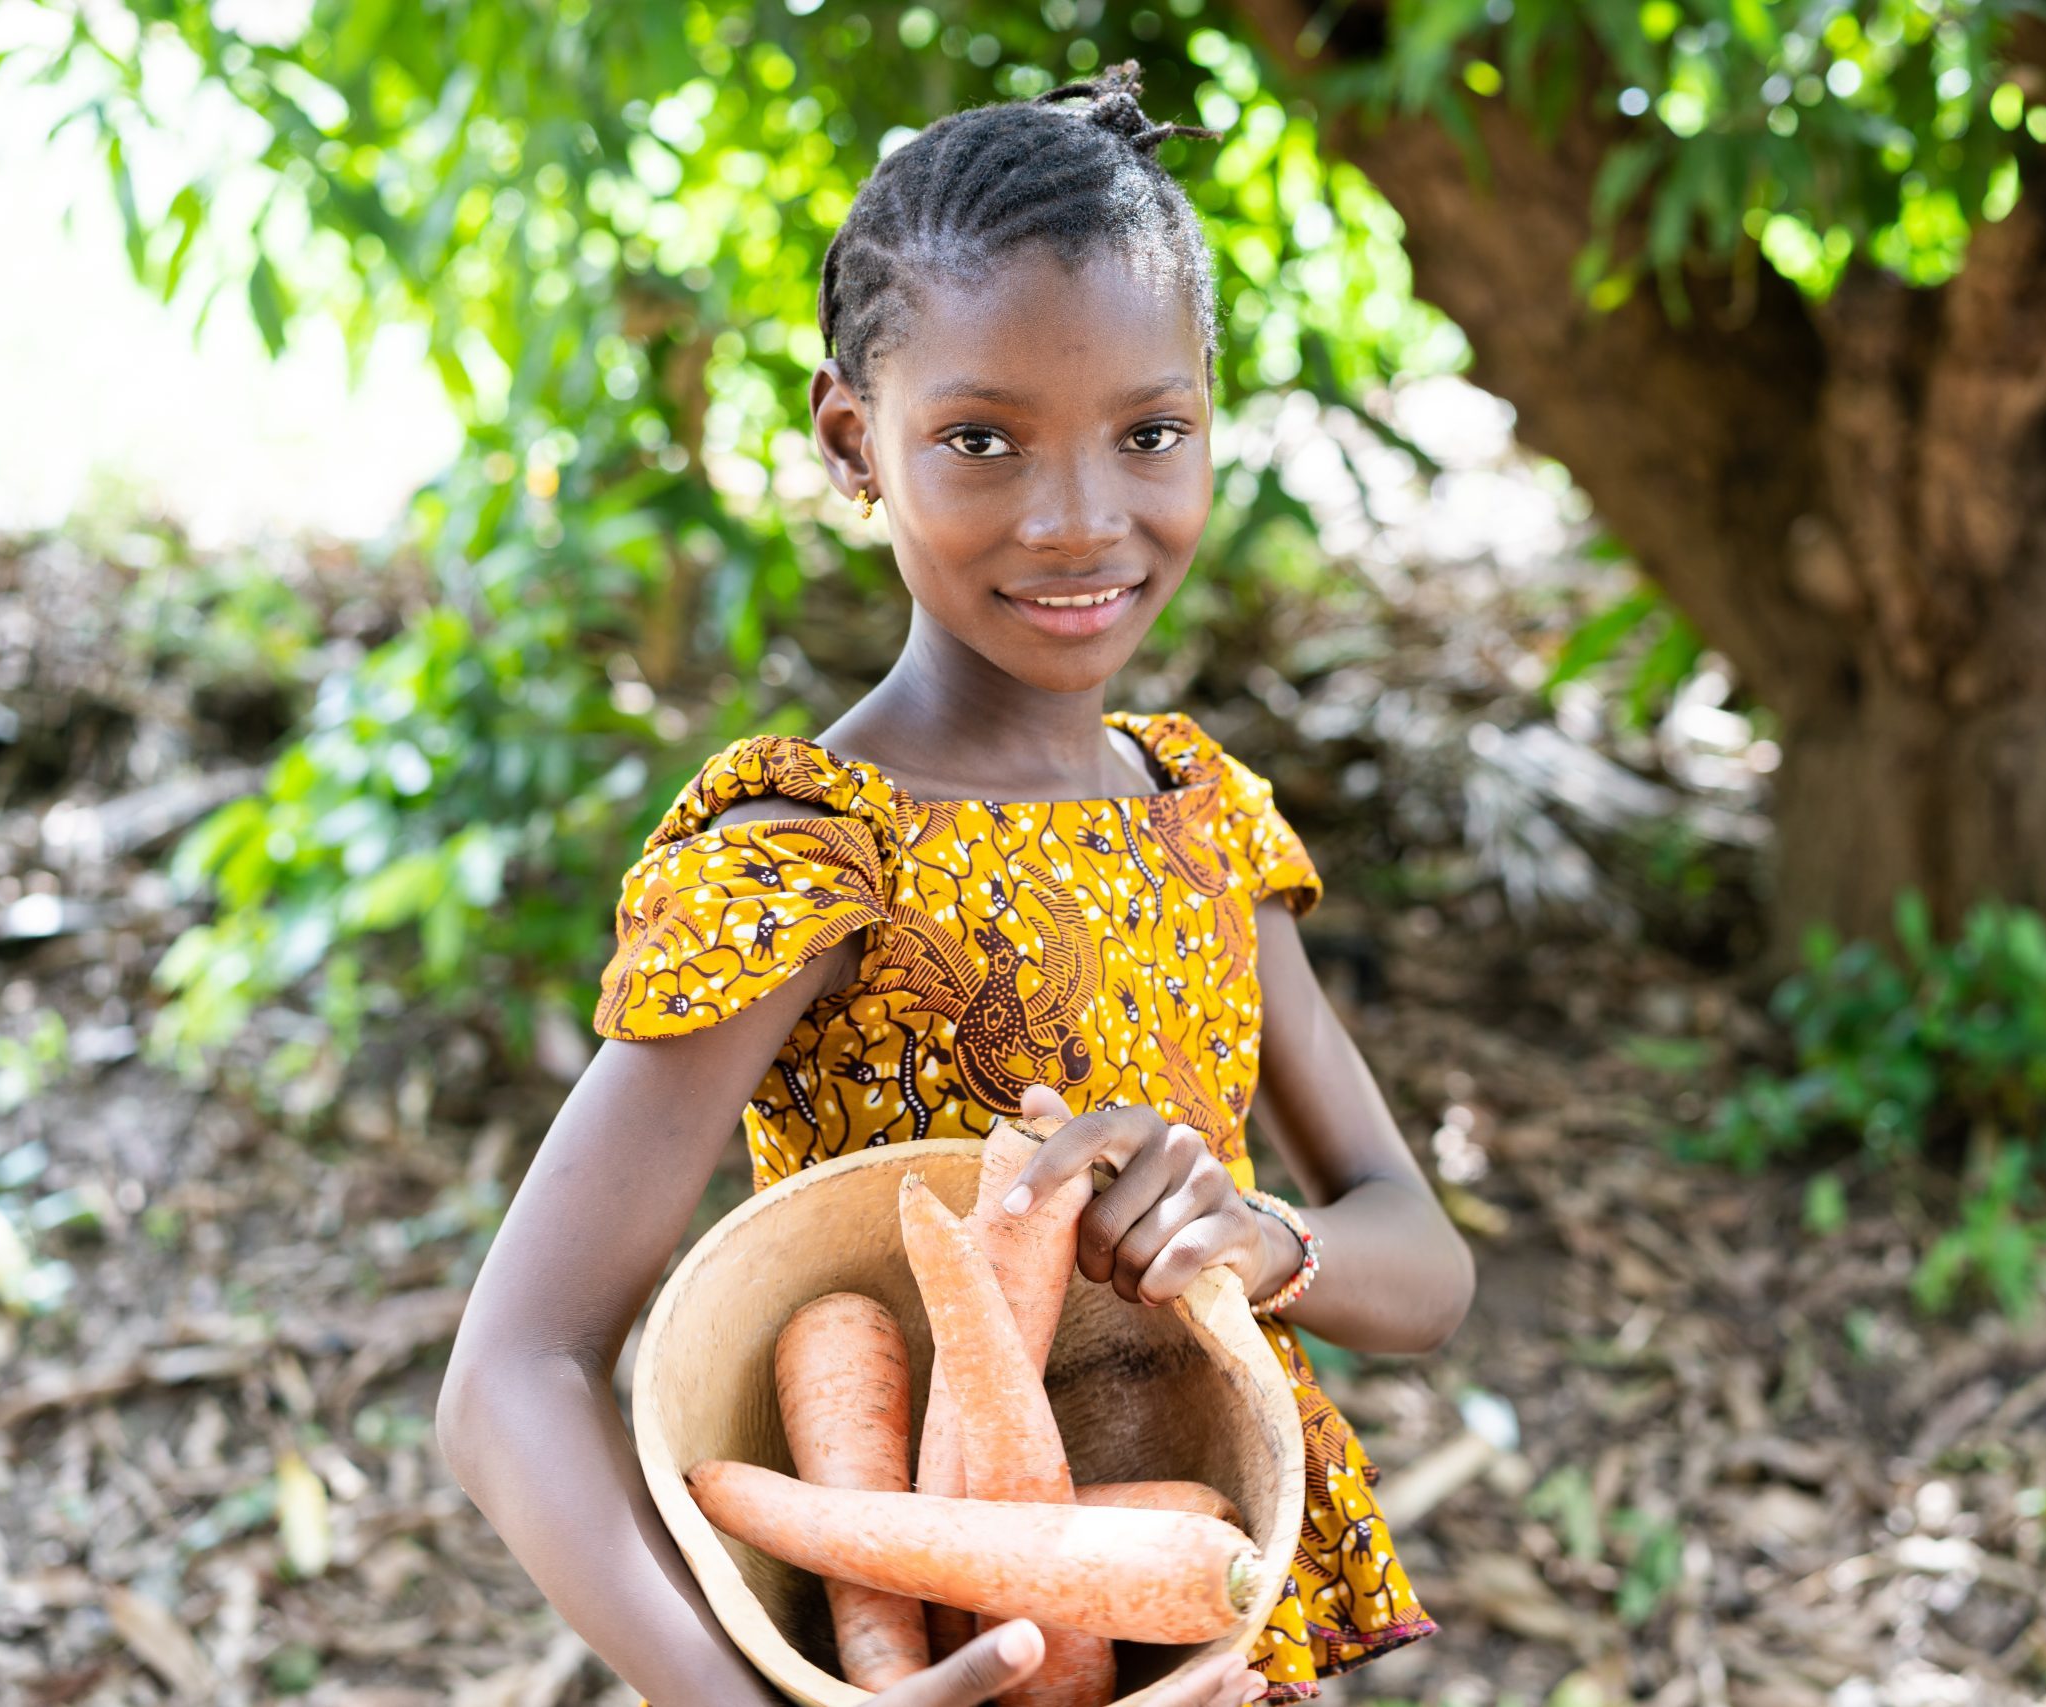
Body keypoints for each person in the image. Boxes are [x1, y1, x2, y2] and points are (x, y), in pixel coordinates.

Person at [436, 65, 1475, 1706]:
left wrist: (1264, 1244)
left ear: (1209, 412)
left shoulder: (1200, 812)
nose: (1079, 520)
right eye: (980, 440)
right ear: (855, 441)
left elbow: (1422, 1261)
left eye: (1151, 434)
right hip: (908, 1644)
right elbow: (510, 1379)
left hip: (1208, 1616)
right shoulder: (804, 860)